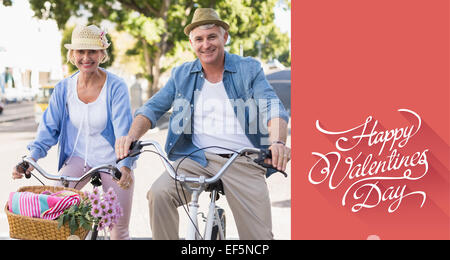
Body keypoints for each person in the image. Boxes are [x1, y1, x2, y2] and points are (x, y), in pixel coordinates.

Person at [116, 8, 290, 240]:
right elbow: (151, 108)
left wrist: (277, 141)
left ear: (224, 37)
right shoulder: (182, 74)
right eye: (199, 39)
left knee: (259, 239)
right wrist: (131, 137)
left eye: (211, 37)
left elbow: (272, 106)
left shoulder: (248, 69)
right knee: (158, 194)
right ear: (191, 43)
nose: (205, 45)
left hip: (242, 160)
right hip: (195, 159)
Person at [11, 25, 135, 240]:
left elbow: (124, 131)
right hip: (77, 158)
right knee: (55, 212)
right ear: (72, 55)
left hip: (112, 161)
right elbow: (48, 128)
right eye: (80, 51)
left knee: (118, 228)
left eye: (92, 51)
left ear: (101, 54)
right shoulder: (63, 89)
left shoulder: (116, 86)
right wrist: (30, 159)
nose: (86, 57)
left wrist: (126, 166)